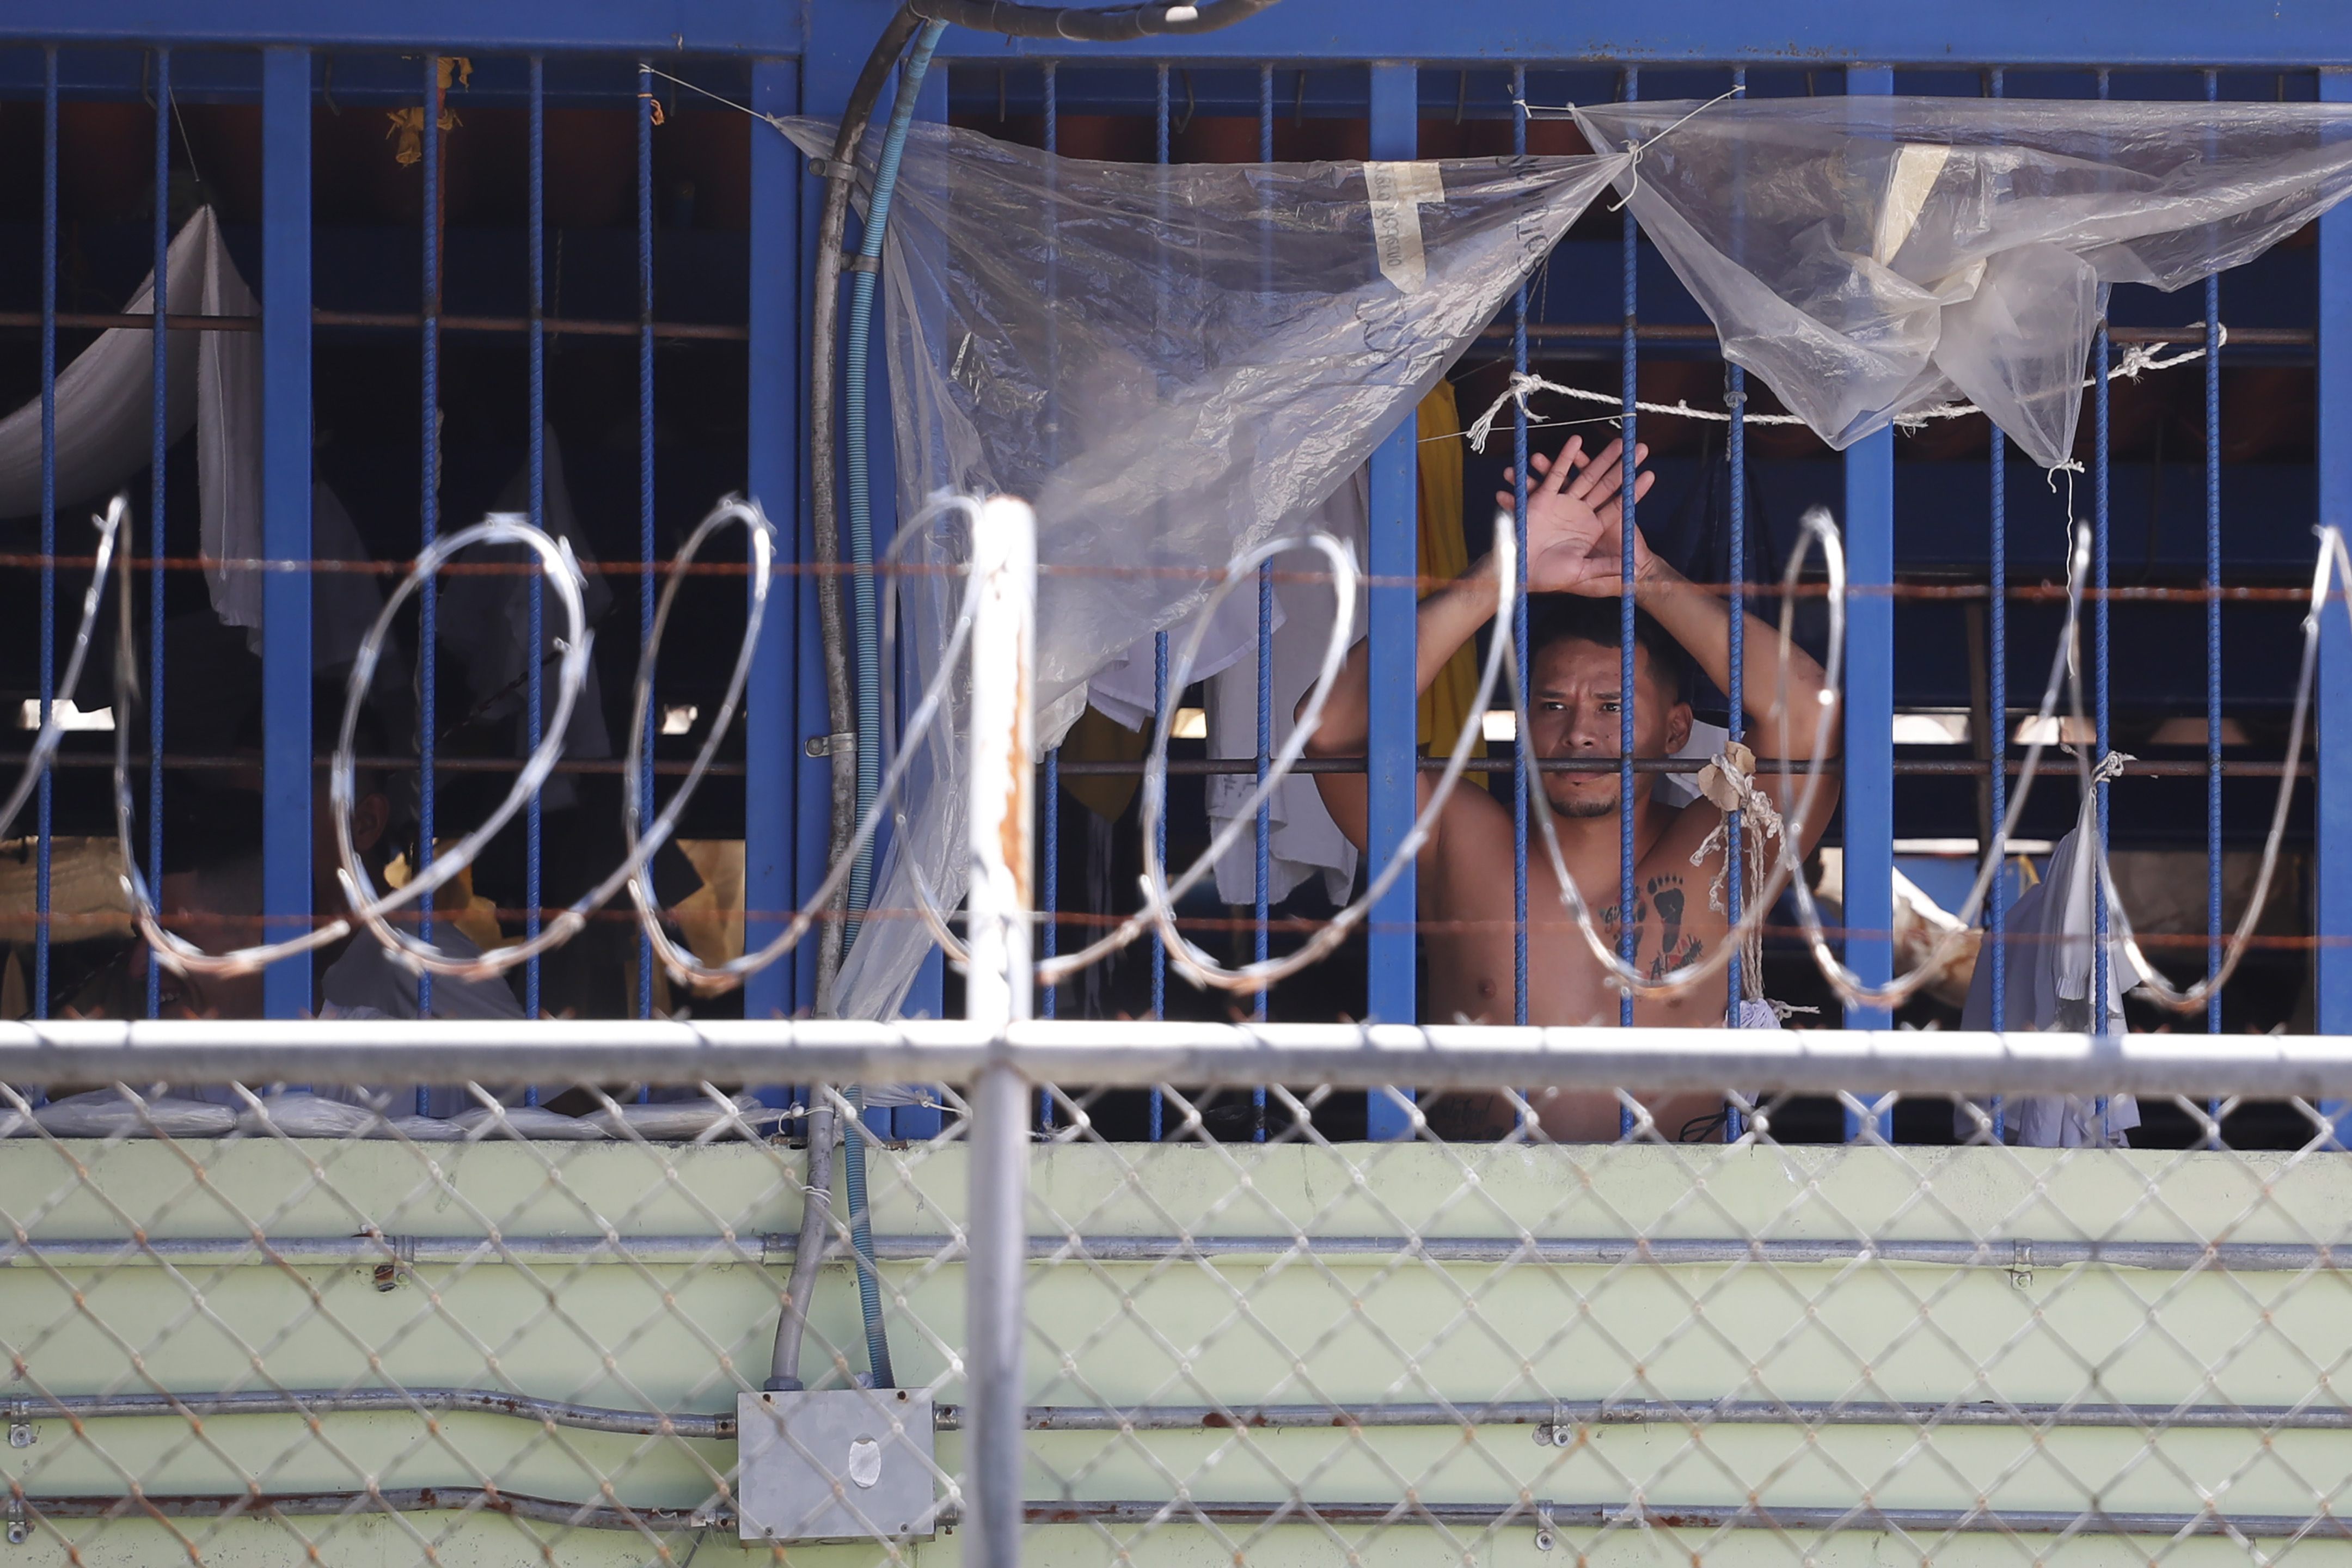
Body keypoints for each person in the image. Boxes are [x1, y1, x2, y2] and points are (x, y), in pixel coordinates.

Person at [1302, 434, 1841, 1140]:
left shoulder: (1721, 851)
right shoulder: (1460, 845)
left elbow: (1812, 720)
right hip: (1481, 1226)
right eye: (1552, 705)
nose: (1580, 733)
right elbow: (1329, 728)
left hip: (1679, 1230)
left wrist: (1646, 575)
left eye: (1613, 707)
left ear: (1677, 730)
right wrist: (1503, 576)